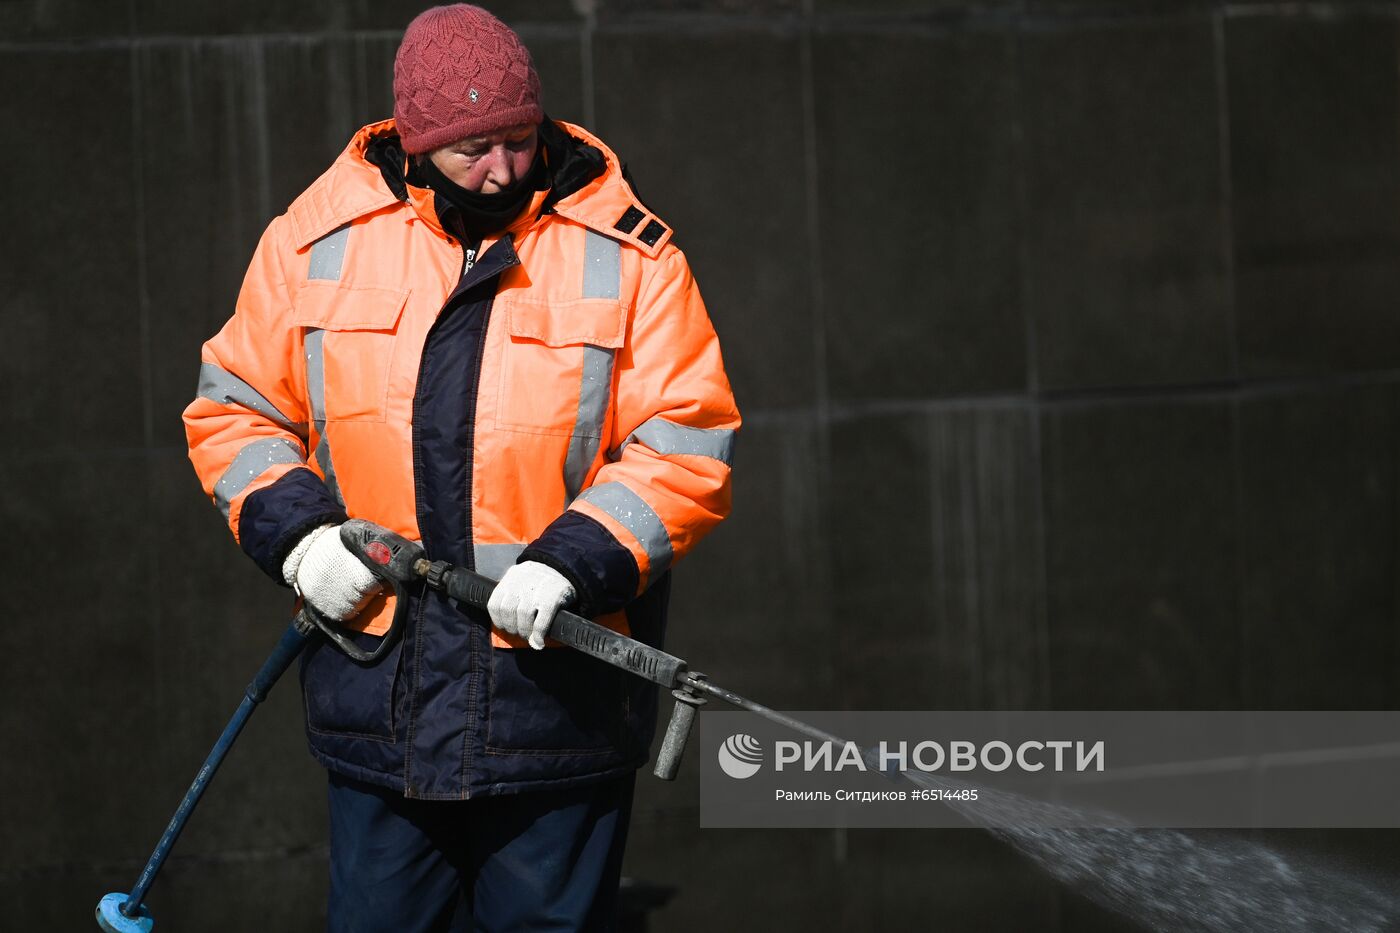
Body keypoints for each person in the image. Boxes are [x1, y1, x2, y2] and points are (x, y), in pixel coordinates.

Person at [182, 4, 739, 930]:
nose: (505, 169)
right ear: (414, 141)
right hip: (381, 694)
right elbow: (236, 410)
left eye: (520, 139)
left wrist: (574, 559)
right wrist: (299, 539)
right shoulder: (313, 241)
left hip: (555, 706)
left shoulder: (631, 254)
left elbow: (686, 440)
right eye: (472, 150)